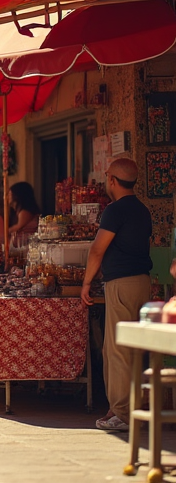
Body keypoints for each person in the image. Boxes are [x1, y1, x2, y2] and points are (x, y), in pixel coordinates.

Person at [81, 158, 152, 433]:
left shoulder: (114, 210)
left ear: (112, 180)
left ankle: (122, 413)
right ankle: (128, 407)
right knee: (135, 348)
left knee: (118, 349)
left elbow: (98, 249)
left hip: (121, 284)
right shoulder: (143, 210)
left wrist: (86, 282)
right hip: (142, 282)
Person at [8, 181, 40, 248]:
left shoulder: (25, 212)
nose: (7, 197)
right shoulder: (17, 211)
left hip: (27, 246)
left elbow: (18, 227)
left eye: (10, 194)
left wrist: (6, 230)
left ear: (17, 195)